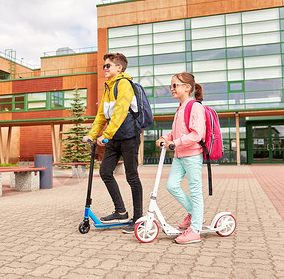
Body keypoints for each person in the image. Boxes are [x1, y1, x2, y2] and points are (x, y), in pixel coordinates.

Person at [82, 52, 143, 234]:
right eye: (104, 66)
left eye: (108, 65)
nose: (105, 69)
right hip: (114, 138)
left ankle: (138, 218)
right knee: (105, 172)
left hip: (129, 136)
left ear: (119, 68)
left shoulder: (124, 84)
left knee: (132, 176)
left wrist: (106, 134)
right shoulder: (108, 88)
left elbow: (121, 112)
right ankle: (121, 211)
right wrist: (92, 135)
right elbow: (102, 115)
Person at [156, 72, 206, 244]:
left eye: (175, 85)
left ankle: (196, 229)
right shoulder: (180, 108)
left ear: (187, 87)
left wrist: (174, 143)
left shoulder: (195, 107)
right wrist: (165, 138)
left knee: (195, 191)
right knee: (171, 185)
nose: (171, 88)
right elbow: (176, 131)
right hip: (179, 155)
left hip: (192, 155)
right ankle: (194, 213)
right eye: (171, 85)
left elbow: (197, 134)